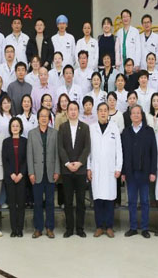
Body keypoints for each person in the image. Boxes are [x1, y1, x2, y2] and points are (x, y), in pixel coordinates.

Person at [86, 103, 122, 238]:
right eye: (100, 110)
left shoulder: (114, 128)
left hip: (110, 169)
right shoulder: (91, 128)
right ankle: (99, 227)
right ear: (97, 113)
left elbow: (119, 150)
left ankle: (109, 226)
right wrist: (88, 167)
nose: (103, 113)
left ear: (108, 113)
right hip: (96, 169)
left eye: (105, 110)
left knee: (109, 199)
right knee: (98, 199)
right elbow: (88, 150)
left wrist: (118, 167)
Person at [121, 105, 157, 238]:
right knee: (131, 201)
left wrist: (153, 172)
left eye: (138, 113)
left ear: (142, 115)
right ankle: (133, 227)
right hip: (130, 173)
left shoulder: (149, 131)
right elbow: (123, 153)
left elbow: (154, 153)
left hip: (145, 173)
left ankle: (145, 228)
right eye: (133, 113)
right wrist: (123, 172)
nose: (136, 115)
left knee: (145, 201)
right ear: (130, 116)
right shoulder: (126, 132)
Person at [58, 101, 92, 239]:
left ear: (78, 111)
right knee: (68, 201)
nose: (73, 112)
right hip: (66, 170)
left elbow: (87, 147)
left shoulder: (85, 127)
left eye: (75, 109)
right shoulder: (62, 127)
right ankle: (69, 228)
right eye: (70, 109)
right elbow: (60, 147)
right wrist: (67, 163)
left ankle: (80, 228)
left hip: (80, 170)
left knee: (80, 201)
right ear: (67, 112)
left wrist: (79, 163)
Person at [27, 107, 60, 238]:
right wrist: (31, 173)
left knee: (50, 202)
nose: (44, 118)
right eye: (42, 116)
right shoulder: (31, 133)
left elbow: (57, 154)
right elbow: (29, 154)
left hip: (51, 173)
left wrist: (57, 170)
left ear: (49, 118)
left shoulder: (55, 133)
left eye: (46, 116)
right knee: (38, 202)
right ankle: (38, 228)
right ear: (38, 118)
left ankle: (50, 228)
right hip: (37, 173)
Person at [2, 117, 28, 237]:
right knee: (12, 204)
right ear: (10, 128)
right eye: (13, 126)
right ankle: (13, 229)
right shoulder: (6, 142)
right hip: (10, 178)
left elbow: (27, 159)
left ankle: (20, 229)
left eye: (17, 126)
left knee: (21, 204)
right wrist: (11, 174)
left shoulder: (25, 141)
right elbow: (5, 160)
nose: (15, 128)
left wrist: (21, 173)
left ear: (21, 127)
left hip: (22, 177)